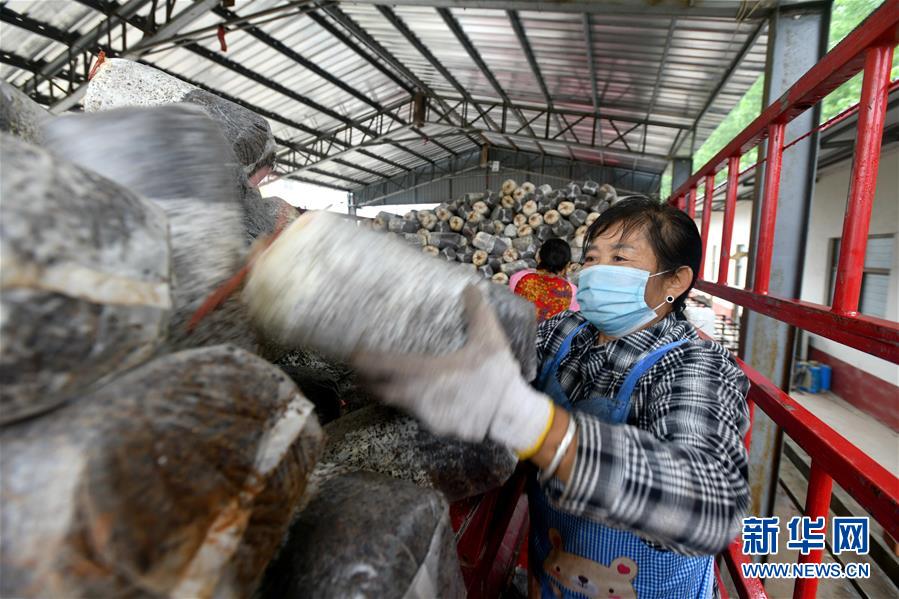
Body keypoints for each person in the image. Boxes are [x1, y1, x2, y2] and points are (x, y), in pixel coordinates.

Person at [353, 198, 750, 598]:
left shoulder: (696, 366)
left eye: (619, 258)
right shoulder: (566, 331)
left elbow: (710, 505)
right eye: (591, 258)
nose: (597, 270)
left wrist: (530, 422)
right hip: (555, 574)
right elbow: (491, 351)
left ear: (675, 281)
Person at [509, 238, 580, 321]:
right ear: (567, 265)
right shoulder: (572, 291)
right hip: (549, 329)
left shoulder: (518, 277)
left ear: (539, 257)